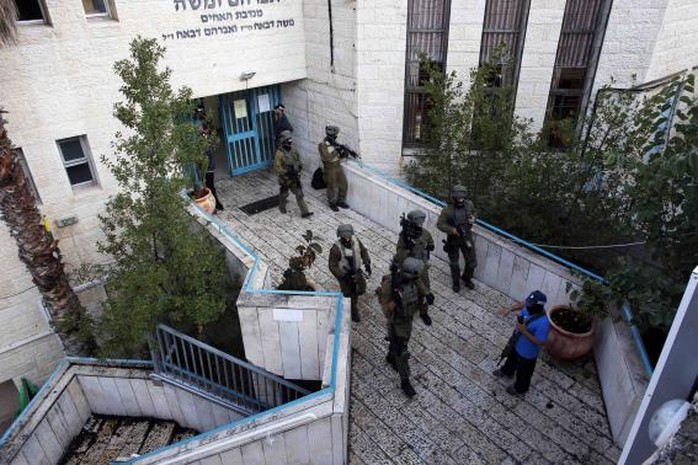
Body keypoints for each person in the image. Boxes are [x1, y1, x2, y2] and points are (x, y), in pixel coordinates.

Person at [379, 257, 429, 397]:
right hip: (396, 322)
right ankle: (405, 381)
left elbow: (420, 285)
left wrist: (426, 294)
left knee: (398, 346)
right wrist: (394, 302)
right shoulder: (390, 283)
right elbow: (385, 309)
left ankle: (390, 355)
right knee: (402, 352)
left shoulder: (413, 278)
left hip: (408, 319)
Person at [493, 290, 551, 396]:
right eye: (528, 302)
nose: (527, 305)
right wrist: (509, 310)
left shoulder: (544, 323)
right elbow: (522, 304)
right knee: (511, 359)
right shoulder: (529, 306)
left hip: (527, 353)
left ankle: (520, 388)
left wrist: (524, 331)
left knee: (524, 372)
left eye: (530, 304)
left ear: (538, 306)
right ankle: (507, 371)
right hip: (516, 342)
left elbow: (541, 343)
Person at [394, 209, 435, 325]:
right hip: (408, 267)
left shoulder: (425, 233)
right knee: (405, 291)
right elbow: (399, 254)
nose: (420, 225)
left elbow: (430, 242)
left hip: (421, 267)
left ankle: (423, 312)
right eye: (418, 223)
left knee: (425, 289)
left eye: (421, 222)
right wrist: (409, 249)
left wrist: (430, 246)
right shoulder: (405, 237)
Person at [437, 185, 477, 292]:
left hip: (467, 236)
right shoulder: (447, 210)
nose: (461, 200)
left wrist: (473, 218)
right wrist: (452, 230)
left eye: (462, 198)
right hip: (453, 238)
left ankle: (466, 278)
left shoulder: (469, 204)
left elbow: (474, 213)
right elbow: (440, 224)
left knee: (472, 262)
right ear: (454, 198)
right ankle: (456, 282)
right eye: (458, 198)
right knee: (454, 263)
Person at [328, 224, 371, 322]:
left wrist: (367, 262)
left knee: (361, 288)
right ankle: (353, 312)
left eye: (348, 237)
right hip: (344, 276)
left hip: (356, 271)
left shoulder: (356, 240)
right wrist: (342, 275)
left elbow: (363, 251)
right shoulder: (336, 249)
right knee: (349, 295)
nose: (347, 239)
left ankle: (354, 298)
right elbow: (332, 266)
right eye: (344, 237)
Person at [273, 130, 313, 218]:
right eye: (288, 141)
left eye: (290, 140)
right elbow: (277, 167)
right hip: (285, 179)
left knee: (299, 194)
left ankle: (305, 212)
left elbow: (298, 160)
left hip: (295, 178)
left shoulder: (293, 150)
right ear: (283, 141)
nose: (290, 143)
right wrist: (286, 171)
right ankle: (282, 206)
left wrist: (299, 167)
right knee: (284, 194)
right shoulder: (279, 153)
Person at [318, 125, 349, 211]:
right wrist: (337, 151)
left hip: (338, 166)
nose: (336, 138)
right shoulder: (323, 145)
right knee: (331, 186)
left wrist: (344, 153)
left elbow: (339, 157)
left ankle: (341, 201)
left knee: (344, 184)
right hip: (330, 168)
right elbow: (327, 158)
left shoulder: (334, 144)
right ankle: (332, 203)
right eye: (335, 136)